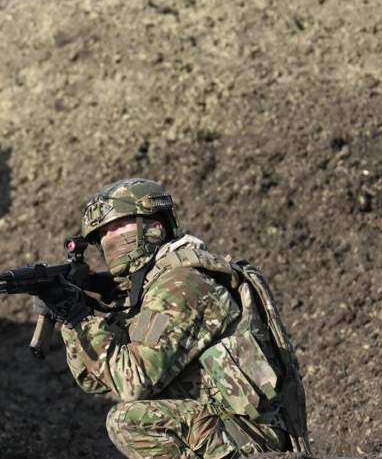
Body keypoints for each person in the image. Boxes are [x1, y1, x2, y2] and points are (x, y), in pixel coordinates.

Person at [32, 178, 311, 458]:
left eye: (118, 226)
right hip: (220, 426)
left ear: (154, 225)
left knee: (128, 420)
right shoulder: (147, 291)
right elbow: (95, 381)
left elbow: (132, 383)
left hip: (252, 437)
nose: (109, 238)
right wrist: (72, 322)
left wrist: (81, 318)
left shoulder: (182, 285)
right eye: (102, 233)